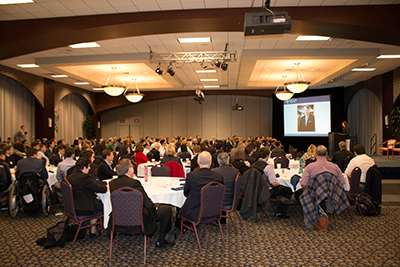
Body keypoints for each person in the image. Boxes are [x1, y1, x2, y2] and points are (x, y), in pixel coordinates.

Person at [109, 159, 174, 248]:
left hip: (119, 217)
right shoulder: (134, 183)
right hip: (138, 217)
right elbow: (146, 202)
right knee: (167, 209)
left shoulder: (112, 183)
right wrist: (153, 210)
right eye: (132, 167)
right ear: (129, 170)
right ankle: (161, 241)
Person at [67, 157, 107, 235]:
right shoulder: (85, 178)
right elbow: (101, 189)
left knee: (95, 201)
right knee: (103, 205)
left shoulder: (70, 177)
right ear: (85, 167)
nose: (89, 169)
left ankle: (93, 229)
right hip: (85, 209)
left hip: (73, 207)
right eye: (88, 167)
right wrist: (107, 186)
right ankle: (96, 229)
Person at [251, 147, 294, 219]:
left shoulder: (253, 165)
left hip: (255, 190)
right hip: (267, 191)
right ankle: (280, 212)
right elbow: (274, 184)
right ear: (268, 156)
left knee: (280, 189)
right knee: (287, 190)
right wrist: (279, 183)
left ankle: (279, 198)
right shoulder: (268, 167)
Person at [181, 151, 224, 223]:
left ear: (198, 162)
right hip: (214, 210)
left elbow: (186, 193)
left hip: (195, 212)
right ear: (210, 162)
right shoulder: (219, 176)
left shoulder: (191, 176)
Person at [211, 152, 240, 223]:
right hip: (231, 201)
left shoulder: (213, 172)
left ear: (218, 161)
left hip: (216, 202)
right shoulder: (236, 172)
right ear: (228, 160)